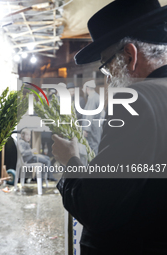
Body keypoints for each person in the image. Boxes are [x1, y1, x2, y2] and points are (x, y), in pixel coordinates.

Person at [52, 0, 167, 254]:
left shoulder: (135, 104)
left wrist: (70, 160)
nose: (108, 78)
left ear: (129, 55)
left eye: (107, 66)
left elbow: (95, 208)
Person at [81, 80, 104, 154]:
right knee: (96, 145)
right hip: (96, 126)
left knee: (93, 146)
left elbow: (89, 114)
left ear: (87, 88)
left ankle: (94, 165)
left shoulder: (92, 98)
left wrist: (86, 129)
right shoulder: (96, 96)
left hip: (92, 128)